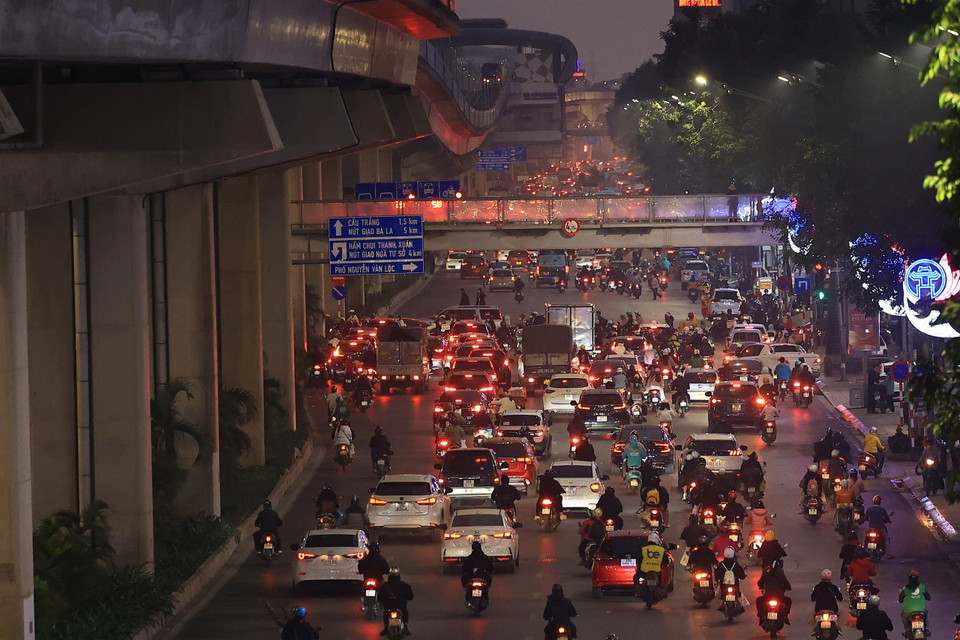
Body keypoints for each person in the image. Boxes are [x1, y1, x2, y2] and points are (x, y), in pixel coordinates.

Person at [377, 567, 414, 636]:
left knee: (385, 612)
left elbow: (379, 598)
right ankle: (405, 627)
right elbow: (410, 597)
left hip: (388, 606)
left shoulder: (384, 586)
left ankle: (385, 628)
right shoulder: (404, 586)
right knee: (404, 611)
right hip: (400, 606)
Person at [897, 570, 930, 637]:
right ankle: (926, 629)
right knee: (926, 614)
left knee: (903, 615)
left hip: (908, 612)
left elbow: (900, 600)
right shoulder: (922, 587)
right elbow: (928, 597)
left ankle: (908, 629)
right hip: (921, 611)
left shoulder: (905, 589)